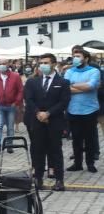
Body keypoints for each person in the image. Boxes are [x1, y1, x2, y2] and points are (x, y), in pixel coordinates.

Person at [24, 53, 70, 191]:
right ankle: (38, 178)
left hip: (54, 121)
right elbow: (29, 99)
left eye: (46, 62)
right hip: (37, 121)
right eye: (41, 63)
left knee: (55, 150)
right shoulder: (33, 81)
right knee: (38, 150)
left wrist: (48, 113)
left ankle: (59, 179)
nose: (43, 65)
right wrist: (38, 113)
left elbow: (64, 102)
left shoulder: (63, 82)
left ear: (54, 64)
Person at [65, 47, 101, 173]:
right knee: (76, 139)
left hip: (90, 110)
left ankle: (90, 163)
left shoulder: (94, 71)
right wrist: (83, 87)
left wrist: (72, 85)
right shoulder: (70, 71)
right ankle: (77, 163)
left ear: (86, 59)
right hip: (73, 110)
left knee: (90, 138)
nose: (75, 59)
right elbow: (66, 87)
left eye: (78, 56)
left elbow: (91, 86)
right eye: (74, 56)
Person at [0, 59, 23, 154]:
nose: (2, 66)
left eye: (4, 64)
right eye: (0, 64)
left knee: (10, 127)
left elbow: (20, 90)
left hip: (11, 105)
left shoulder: (15, 76)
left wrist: (16, 102)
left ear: (8, 64)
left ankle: (9, 145)